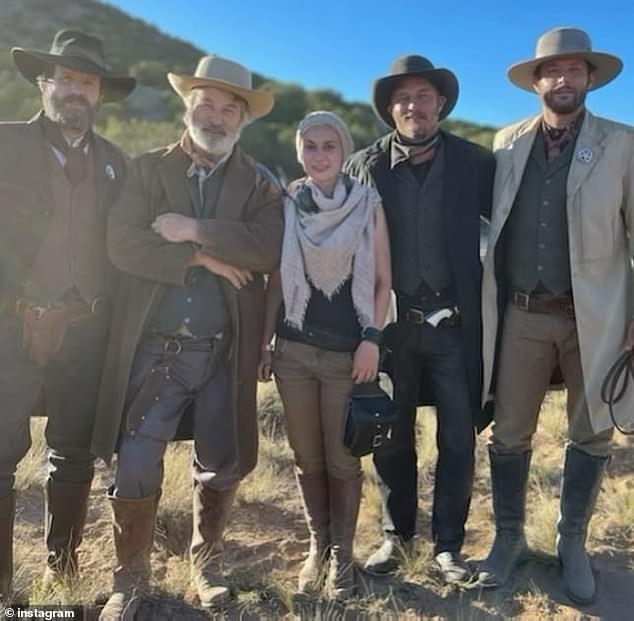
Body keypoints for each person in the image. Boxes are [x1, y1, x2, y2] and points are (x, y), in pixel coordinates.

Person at [90, 55, 283, 618]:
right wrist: (203, 257)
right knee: (134, 462)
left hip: (226, 350)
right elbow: (123, 245)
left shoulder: (258, 180)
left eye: (230, 108)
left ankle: (207, 565)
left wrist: (191, 229)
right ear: (187, 105)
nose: (216, 117)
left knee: (221, 463)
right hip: (157, 349)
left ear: (243, 120)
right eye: (206, 104)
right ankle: (129, 578)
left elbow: (268, 247)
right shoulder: (146, 171)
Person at [477, 27, 634, 605]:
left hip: (598, 316)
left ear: (589, 79)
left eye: (575, 70)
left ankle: (573, 543)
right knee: (509, 432)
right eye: (553, 71)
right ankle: (509, 539)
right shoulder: (505, 142)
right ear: (536, 81)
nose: (563, 79)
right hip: (521, 313)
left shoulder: (623, 143)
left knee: (591, 430)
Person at [345, 55, 495, 583]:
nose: (414, 105)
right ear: (390, 109)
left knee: (458, 437)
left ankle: (448, 547)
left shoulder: (474, 162)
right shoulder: (364, 166)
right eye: (403, 98)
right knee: (392, 435)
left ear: (441, 105)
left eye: (424, 96)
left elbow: (511, 223)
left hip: (456, 327)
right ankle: (395, 537)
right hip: (392, 328)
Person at [0, 30, 135, 602]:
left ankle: (63, 574)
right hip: (9, 323)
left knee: (74, 452)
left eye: (88, 81)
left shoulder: (115, 163)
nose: (76, 90)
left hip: (86, 327)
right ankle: (3, 590)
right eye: (66, 78)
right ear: (43, 82)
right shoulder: (4, 143)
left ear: (99, 93)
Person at [258, 111, 391, 599]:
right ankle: (318, 545)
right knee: (305, 457)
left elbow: (381, 281)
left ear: (344, 150)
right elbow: (276, 277)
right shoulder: (289, 202)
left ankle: (342, 555)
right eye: (309, 146)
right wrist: (265, 341)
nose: (319, 155)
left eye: (328, 146)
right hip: (292, 351)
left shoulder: (367, 204)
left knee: (342, 460)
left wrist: (372, 338)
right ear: (299, 152)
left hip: (345, 355)